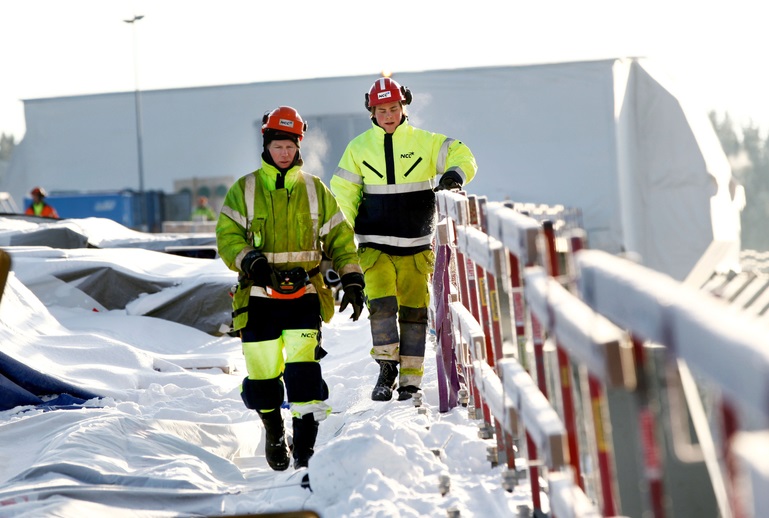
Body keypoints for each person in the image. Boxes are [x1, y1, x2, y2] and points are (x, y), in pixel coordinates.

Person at [216, 106, 364, 471]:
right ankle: (273, 430)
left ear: (299, 146)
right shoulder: (244, 189)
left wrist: (353, 278)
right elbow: (227, 237)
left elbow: (341, 239)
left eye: (290, 145)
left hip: (305, 296)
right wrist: (252, 260)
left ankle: (305, 452)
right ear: (266, 145)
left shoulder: (315, 189)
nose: (284, 152)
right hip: (257, 298)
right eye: (278, 145)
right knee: (263, 377)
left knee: (304, 376)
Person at [331, 77, 477, 402]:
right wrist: (342, 240)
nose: (389, 115)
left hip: (416, 245)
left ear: (403, 107)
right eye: (382, 110)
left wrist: (453, 176)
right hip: (374, 246)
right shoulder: (358, 148)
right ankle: (386, 369)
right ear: (372, 111)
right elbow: (343, 195)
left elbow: (462, 154)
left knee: (414, 312)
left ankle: (411, 379)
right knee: (380, 306)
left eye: (394, 108)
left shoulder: (425, 142)